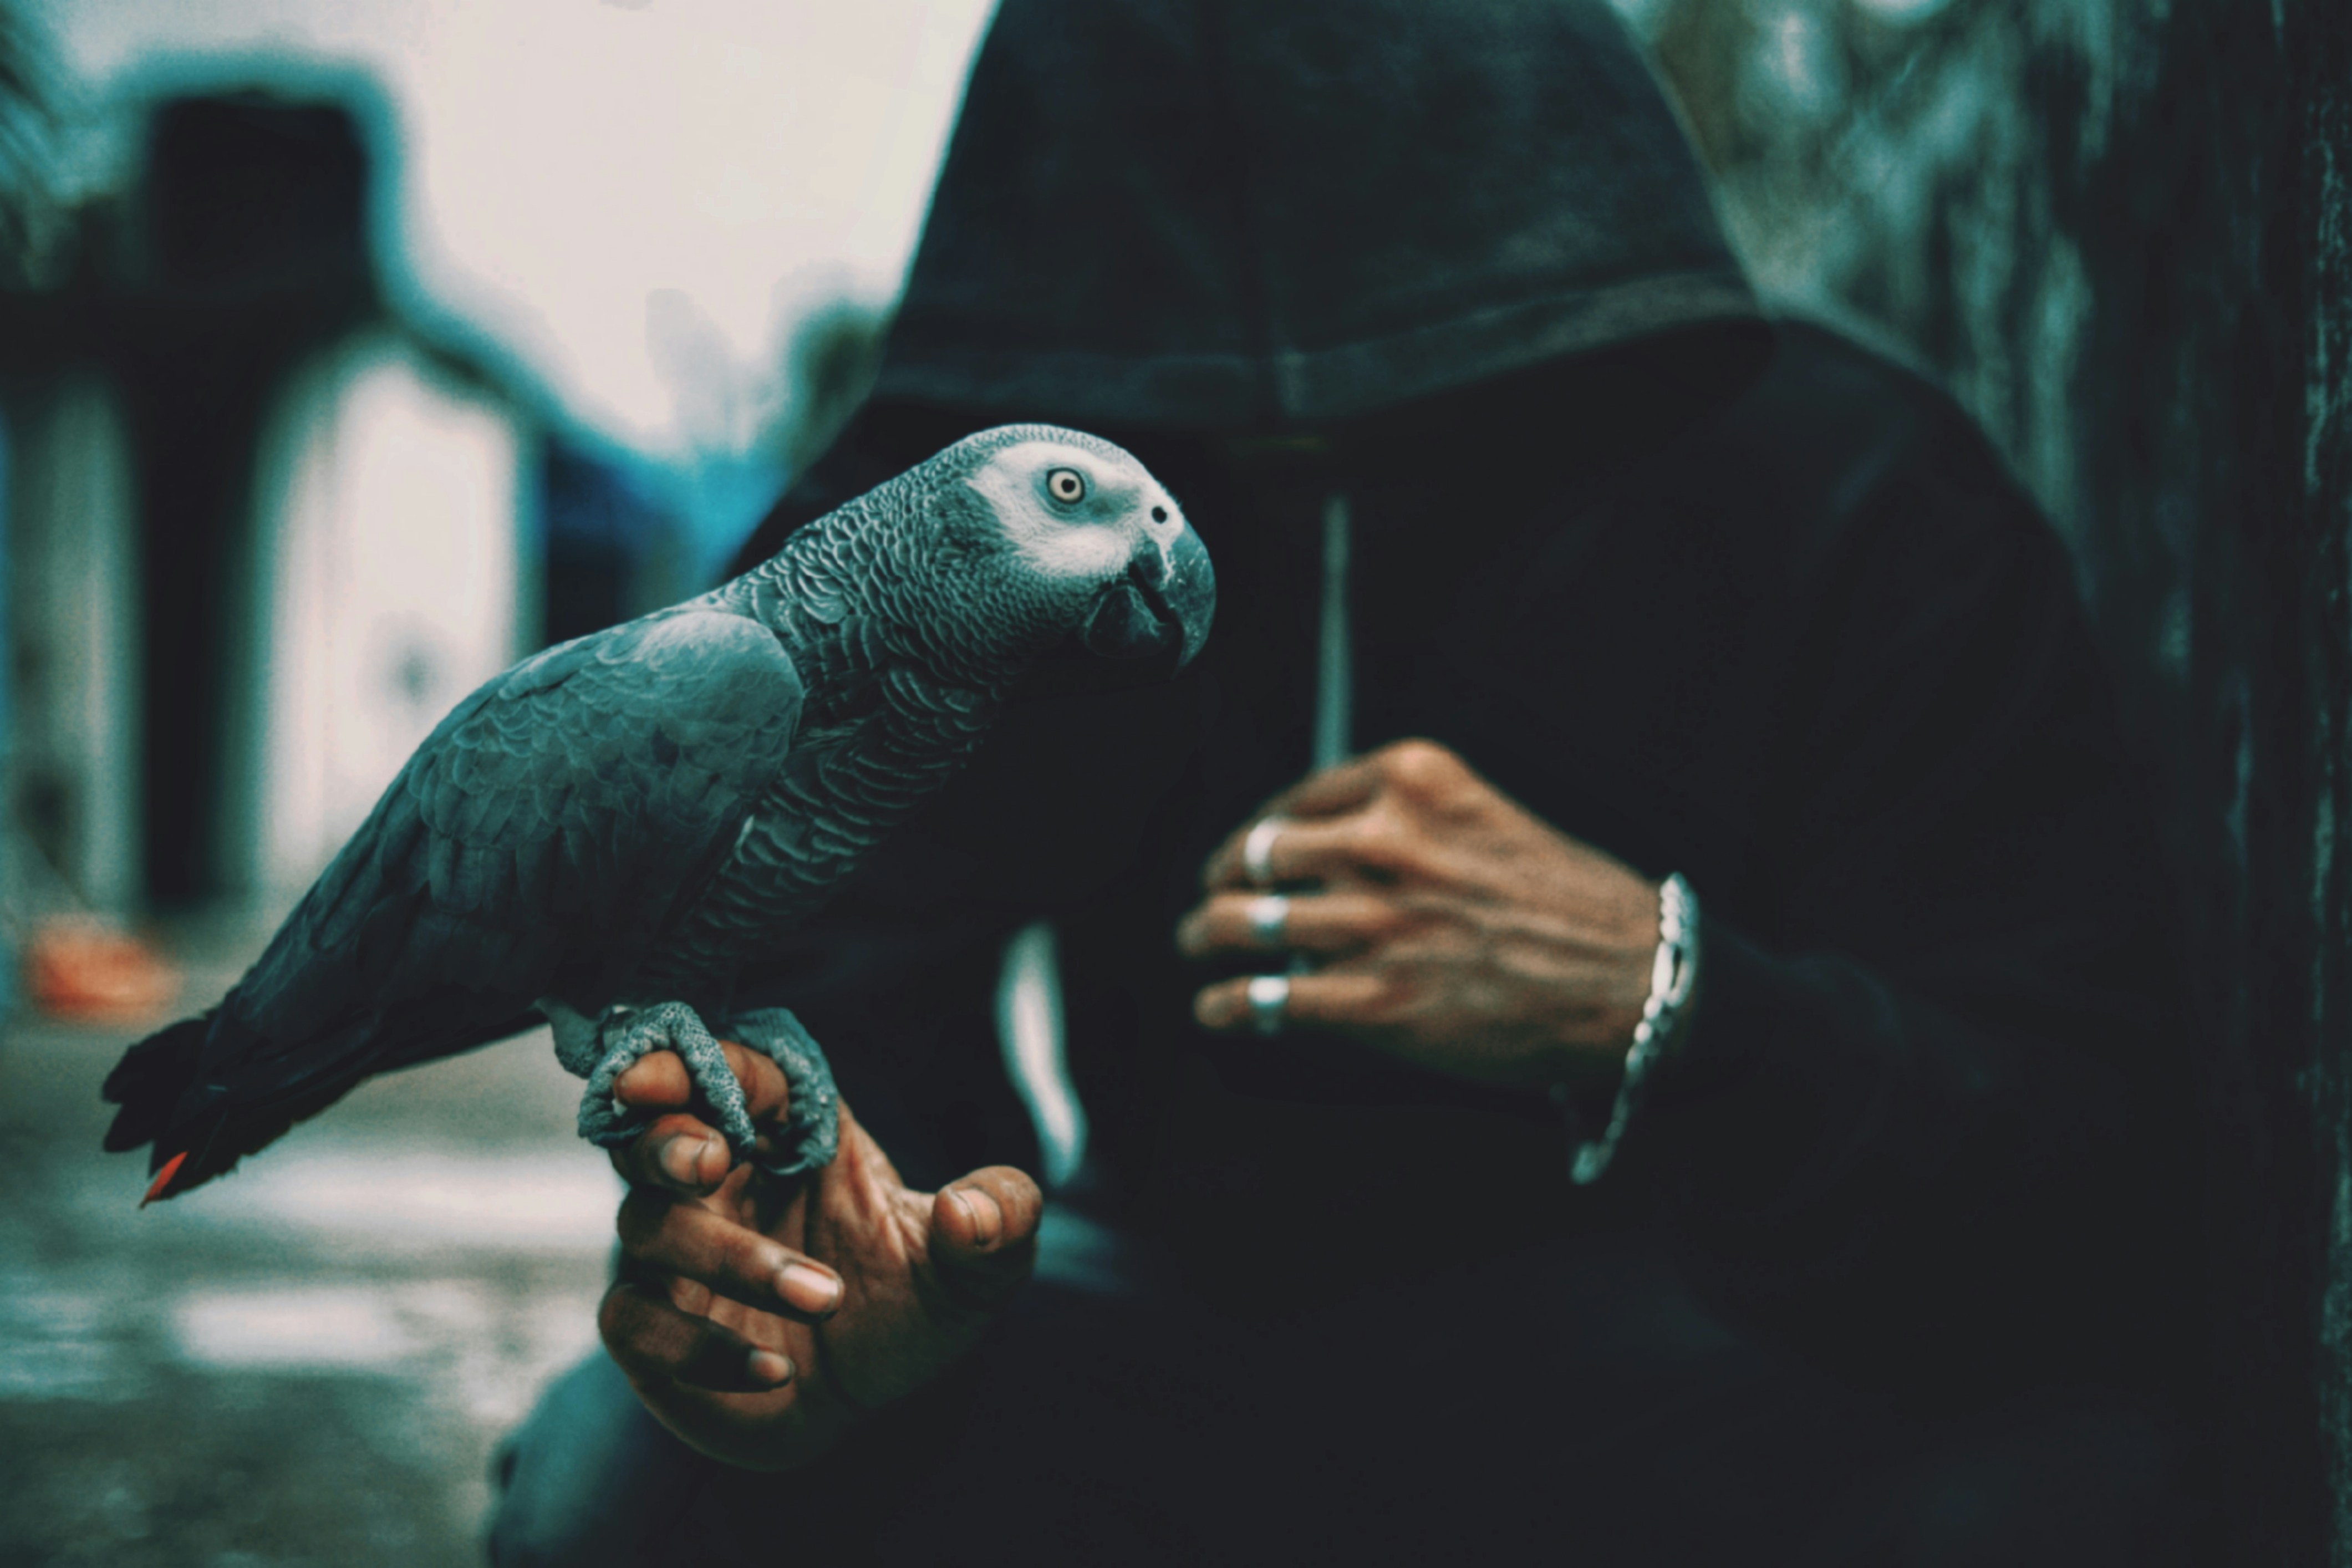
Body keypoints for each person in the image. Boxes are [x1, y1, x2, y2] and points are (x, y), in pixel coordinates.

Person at [491, 1, 2206, 1561]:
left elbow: (2080, 1177)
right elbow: (828, 1000)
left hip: (1695, 1338)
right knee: (617, 1485)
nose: (1269, 480)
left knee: (2070, 1491)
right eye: (1202, 441)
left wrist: (1666, 1001)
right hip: (1152, 1322)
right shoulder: (963, 521)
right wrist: (847, 1280)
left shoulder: (1846, 485)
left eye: (1420, 430)